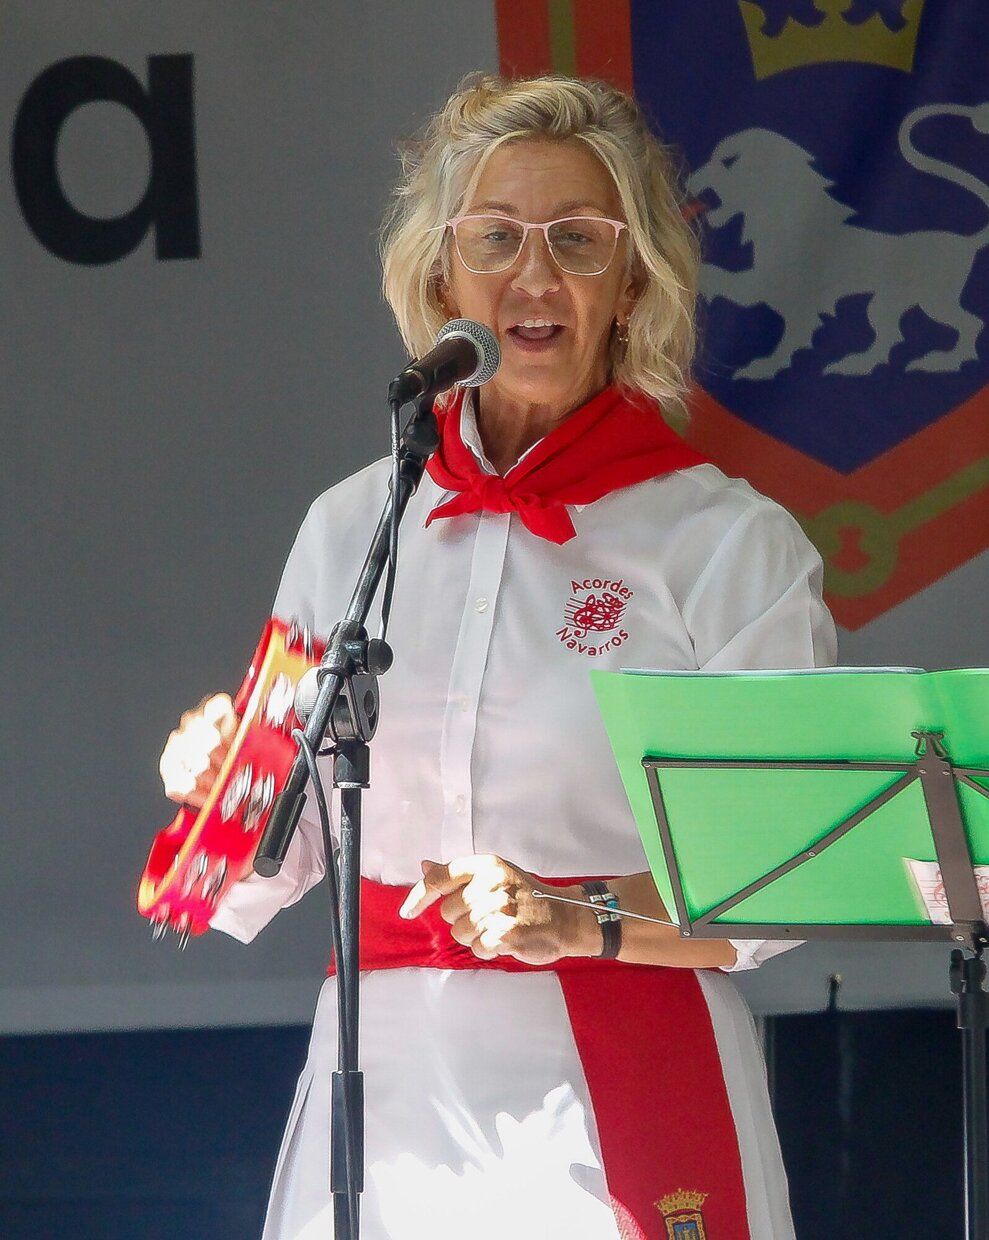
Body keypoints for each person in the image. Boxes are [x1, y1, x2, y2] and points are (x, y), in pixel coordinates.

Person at [159, 73, 837, 1239]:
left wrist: (575, 912)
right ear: (440, 277)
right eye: (495, 239)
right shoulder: (351, 525)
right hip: (383, 1084)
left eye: (577, 240)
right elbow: (271, 866)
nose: (534, 276)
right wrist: (221, 788)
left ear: (632, 283)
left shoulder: (724, 541)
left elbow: (783, 882)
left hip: (620, 1075)